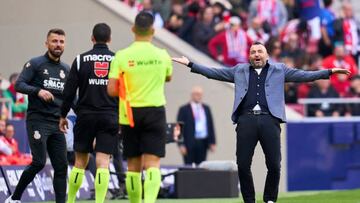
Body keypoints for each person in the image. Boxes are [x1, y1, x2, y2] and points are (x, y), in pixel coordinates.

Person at [172, 41, 350, 203]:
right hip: (246, 120)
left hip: (269, 120)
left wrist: (329, 72)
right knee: (242, 164)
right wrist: (190, 64)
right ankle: (249, 200)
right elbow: (214, 73)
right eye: (253, 52)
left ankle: (269, 200)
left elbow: (304, 75)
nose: (256, 54)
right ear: (249, 56)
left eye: (260, 51)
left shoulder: (279, 69)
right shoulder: (239, 70)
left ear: (267, 55)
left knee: (274, 164)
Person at [107, 12, 173, 203]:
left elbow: (111, 90)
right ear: (153, 30)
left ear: (133, 29)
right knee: (153, 164)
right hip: (155, 111)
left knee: (133, 166)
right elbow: (168, 77)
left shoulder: (121, 56)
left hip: (130, 114)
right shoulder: (162, 55)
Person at [5, 28, 69, 203]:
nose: (58, 45)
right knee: (39, 162)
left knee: (61, 167)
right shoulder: (35, 64)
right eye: (54, 41)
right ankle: (15, 198)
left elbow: (71, 98)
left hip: (56, 123)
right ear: (46, 43)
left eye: (61, 41)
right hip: (38, 120)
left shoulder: (66, 69)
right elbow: (19, 85)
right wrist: (38, 91)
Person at [58, 23, 119, 203]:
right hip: (110, 116)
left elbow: (68, 93)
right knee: (103, 163)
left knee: (79, 162)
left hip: (85, 116)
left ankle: (69, 200)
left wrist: (62, 115)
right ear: (109, 39)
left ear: (92, 38)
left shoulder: (79, 60)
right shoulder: (118, 60)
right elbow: (125, 92)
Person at [177, 86, 216, 165]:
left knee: (201, 166)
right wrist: (181, 145)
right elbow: (179, 128)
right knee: (188, 167)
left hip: (203, 142)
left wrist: (212, 142)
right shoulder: (184, 109)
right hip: (189, 142)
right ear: (192, 95)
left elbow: (210, 125)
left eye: (200, 94)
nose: (198, 96)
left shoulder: (206, 108)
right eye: (196, 94)